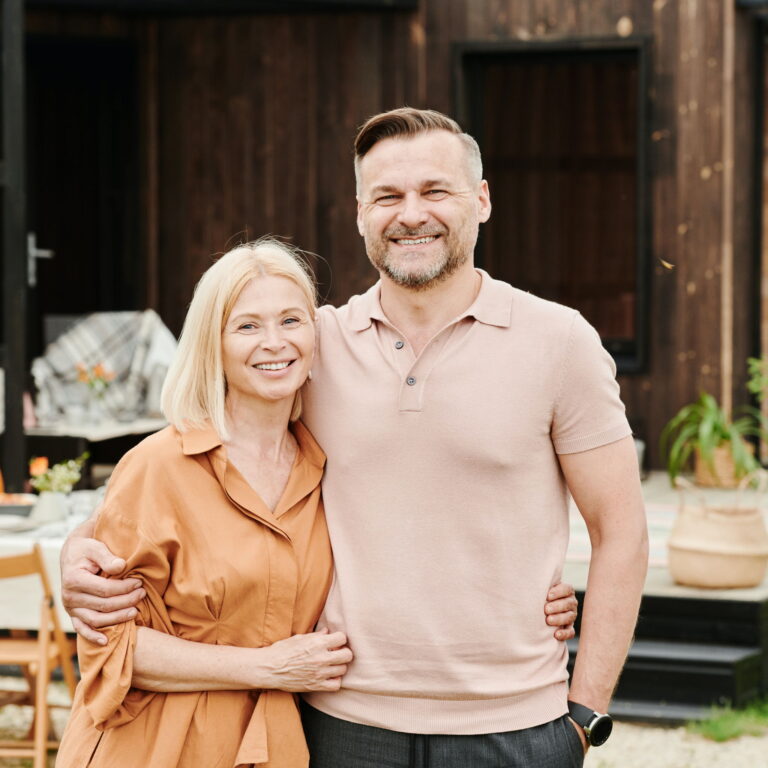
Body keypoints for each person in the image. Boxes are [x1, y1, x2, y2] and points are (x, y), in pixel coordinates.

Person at [62, 108, 646, 767]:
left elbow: (621, 532)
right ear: (360, 213)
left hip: (516, 724)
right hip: (342, 723)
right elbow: (190, 460)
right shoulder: (313, 346)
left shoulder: (559, 342)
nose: (411, 213)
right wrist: (78, 554)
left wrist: (586, 712)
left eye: (435, 191)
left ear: (480, 200)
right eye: (387, 196)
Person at [55, 239, 354, 767]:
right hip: (157, 747)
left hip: (275, 745)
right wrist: (267, 668)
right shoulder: (159, 465)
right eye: (246, 326)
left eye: (291, 320)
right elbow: (114, 649)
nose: (274, 343)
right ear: (212, 344)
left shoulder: (328, 466)